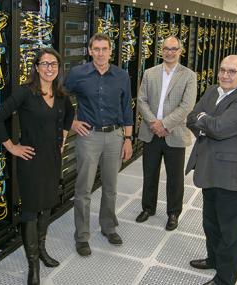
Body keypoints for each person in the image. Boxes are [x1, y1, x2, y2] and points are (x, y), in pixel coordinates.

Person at [0, 48, 74, 285]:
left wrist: (63, 138)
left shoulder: (61, 95)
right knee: (30, 210)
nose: (49, 68)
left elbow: (69, 114)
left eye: (54, 64)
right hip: (30, 160)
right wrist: (12, 147)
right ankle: (33, 264)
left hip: (51, 160)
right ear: (36, 67)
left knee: (46, 206)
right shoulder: (25, 93)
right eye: (45, 64)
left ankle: (43, 250)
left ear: (58, 68)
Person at [185, 55, 237, 285]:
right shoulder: (212, 91)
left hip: (233, 178)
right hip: (210, 170)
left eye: (232, 72)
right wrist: (207, 124)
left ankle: (225, 279)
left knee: (231, 233)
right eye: (222, 70)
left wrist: (206, 122)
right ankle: (214, 259)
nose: (225, 75)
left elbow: (219, 127)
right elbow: (191, 118)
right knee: (211, 222)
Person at [64, 33, 134, 256]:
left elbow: (126, 108)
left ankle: (108, 227)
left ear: (110, 51)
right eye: (96, 49)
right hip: (89, 137)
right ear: (89, 51)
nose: (101, 53)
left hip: (114, 136)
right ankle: (82, 236)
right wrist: (71, 122)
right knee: (83, 188)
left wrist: (128, 139)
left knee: (111, 186)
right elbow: (59, 97)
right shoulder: (78, 74)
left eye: (105, 49)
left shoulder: (122, 76)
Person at [135, 36, 197, 230]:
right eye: (166, 49)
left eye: (174, 49)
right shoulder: (149, 73)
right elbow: (141, 100)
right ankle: (148, 208)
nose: (170, 52)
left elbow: (187, 105)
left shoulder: (188, 75)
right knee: (149, 173)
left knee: (175, 177)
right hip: (151, 132)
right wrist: (154, 123)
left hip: (174, 133)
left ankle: (173, 213)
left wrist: (165, 125)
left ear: (180, 51)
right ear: (161, 51)